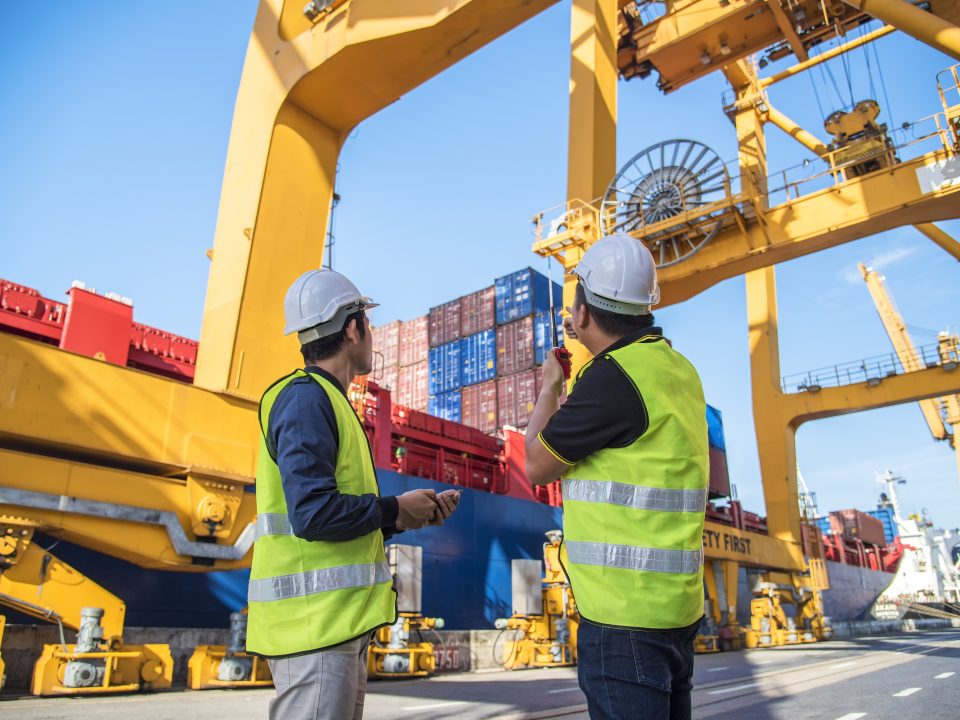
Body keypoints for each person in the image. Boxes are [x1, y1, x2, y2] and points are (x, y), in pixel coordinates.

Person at [246, 268, 461, 720]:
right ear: (351, 328)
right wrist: (394, 508)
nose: (371, 331)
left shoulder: (327, 402)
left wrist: (403, 516)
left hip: (334, 629)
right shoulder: (307, 400)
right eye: (367, 320)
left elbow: (335, 519)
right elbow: (313, 515)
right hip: (314, 630)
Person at [525, 234, 708, 720]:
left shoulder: (612, 377)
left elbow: (537, 465)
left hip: (623, 617)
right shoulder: (678, 369)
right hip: (678, 609)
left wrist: (550, 389)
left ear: (582, 313)